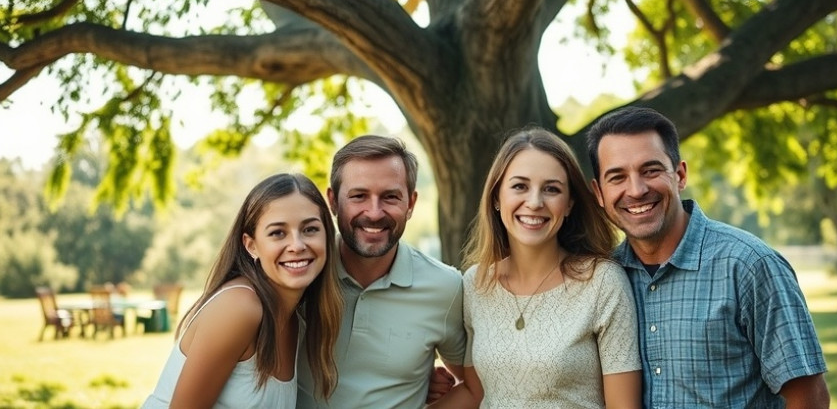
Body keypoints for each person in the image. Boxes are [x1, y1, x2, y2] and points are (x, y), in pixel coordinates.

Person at [585, 106, 830, 408]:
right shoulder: (604, 278)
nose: (636, 190)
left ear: (680, 174)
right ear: (598, 193)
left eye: (651, 170)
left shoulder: (749, 265)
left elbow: (809, 398)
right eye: (617, 177)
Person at [430, 127, 642, 408]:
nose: (534, 202)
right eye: (519, 186)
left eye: (551, 189)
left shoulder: (602, 282)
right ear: (496, 198)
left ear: (569, 204)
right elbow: (477, 393)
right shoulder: (476, 283)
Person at [143, 173, 342, 408]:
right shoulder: (241, 306)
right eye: (278, 233)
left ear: (327, 236)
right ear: (251, 245)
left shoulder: (296, 322)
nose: (297, 245)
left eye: (310, 229)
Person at [296, 135, 467, 408]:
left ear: (410, 204)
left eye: (390, 197)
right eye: (359, 196)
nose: (374, 213)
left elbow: (472, 386)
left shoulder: (445, 286)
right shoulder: (300, 275)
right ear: (333, 201)